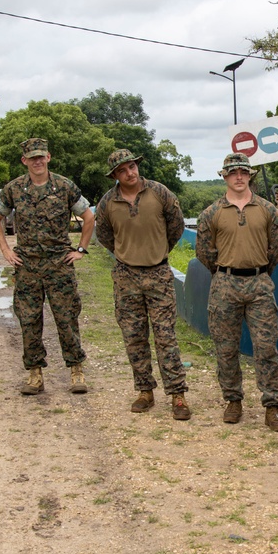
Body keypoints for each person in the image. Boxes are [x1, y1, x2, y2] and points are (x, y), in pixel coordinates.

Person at [0, 137, 94, 395]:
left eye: (41, 156)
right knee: (29, 320)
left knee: (67, 317)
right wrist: (5, 249)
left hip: (59, 264)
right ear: (24, 161)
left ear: (48, 158)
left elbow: (88, 216)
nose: (37, 161)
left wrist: (80, 249)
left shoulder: (64, 186)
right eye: (32, 158)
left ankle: (76, 370)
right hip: (27, 265)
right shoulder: (14, 189)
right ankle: (35, 374)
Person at [94, 149, 191, 420]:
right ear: (115, 175)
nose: (130, 172)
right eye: (123, 170)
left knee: (165, 336)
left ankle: (177, 394)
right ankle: (145, 391)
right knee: (134, 337)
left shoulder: (159, 193)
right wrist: (128, 253)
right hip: (126, 277)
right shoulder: (107, 203)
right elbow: (104, 235)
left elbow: (176, 225)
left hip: (158, 274)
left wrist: (158, 250)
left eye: (133, 166)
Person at [196, 153, 278, 431]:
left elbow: (277, 248)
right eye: (233, 172)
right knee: (226, 348)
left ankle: (272, 406)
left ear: (250, 176)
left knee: (266, 349)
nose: (239, 176)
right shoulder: (211, 213)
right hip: (224, 284)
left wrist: (258, 271)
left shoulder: (268, 210)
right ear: (224, 176)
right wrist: (227, 271)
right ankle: (233, 400)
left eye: (243, 172)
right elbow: (204, 252)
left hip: (260, 283)